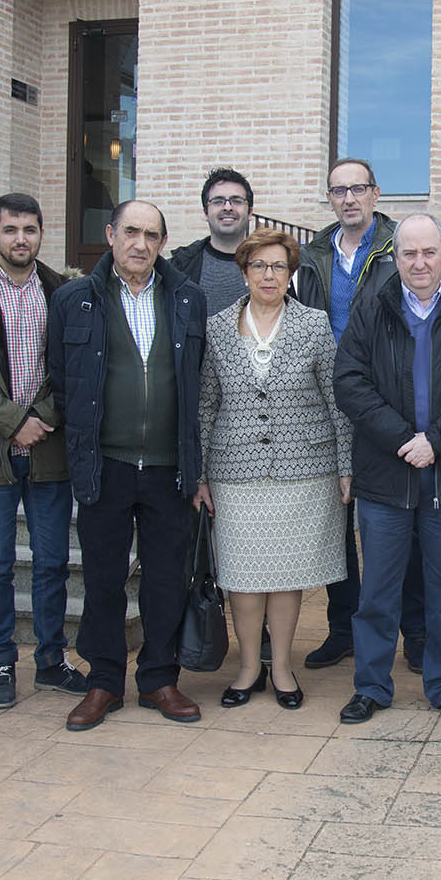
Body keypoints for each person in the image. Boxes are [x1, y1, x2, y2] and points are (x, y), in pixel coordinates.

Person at [333, 215, 441, 725]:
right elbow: (349, 383)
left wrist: (437, 440)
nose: (419, 262)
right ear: (396, 258)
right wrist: (404, 439)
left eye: (429, 252)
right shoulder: (371, 309)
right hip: (386, 477)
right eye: (409, 253)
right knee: (378, 592)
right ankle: (371, 686)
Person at [48, 200, 208, 731]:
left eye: (153, 235)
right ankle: (103, 682)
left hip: (169, 468)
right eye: (132, 232)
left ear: (163, 244)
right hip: (106, 464)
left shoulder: (188, 299)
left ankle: (160, 678)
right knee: (103, 579)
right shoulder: (73, 300)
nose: (141, 244)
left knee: (166, 577)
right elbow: (60, 380)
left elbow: (200, 385)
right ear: (111, 234)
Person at [197, 229, 352, 711]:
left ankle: (281, 668)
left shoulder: (313, 323)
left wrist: (346, 466)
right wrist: (200, 473)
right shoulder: (218, 326)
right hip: (235, 470)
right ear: (243, 272)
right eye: (259, 266)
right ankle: (248, 668)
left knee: (287, 575)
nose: (269, 275)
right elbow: (206, 402)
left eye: (279, 266)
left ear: (291, 274)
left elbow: (336, 398)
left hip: (304, 468)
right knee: (243, 577)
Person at [0, 191, 87, 709]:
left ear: (40, 234)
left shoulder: (62, 290)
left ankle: (51, 661)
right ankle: (1, 662)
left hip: (49, 450)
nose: (20, 239)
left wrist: (42, 419)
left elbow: (71, 367)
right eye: (10, 230)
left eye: (29, 230)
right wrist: (14, 422)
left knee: (52, 562)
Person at [295, 158, 426, 672]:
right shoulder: (311, 256)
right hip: (324, 403)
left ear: (375, 192)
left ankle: (414, 633)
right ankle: (342, 628)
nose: (348, 198)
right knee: (338, 523)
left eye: (358, 189)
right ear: (329, 198)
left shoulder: (403, 248)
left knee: (403, 522)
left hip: (387, 403)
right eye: (338, 191)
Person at [171, 167, 255, 315]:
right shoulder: (180, 268)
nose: (228, 207)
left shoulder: (272, 266)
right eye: (218, 201)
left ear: (250, 212)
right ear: (205, 212)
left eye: (237, 201)